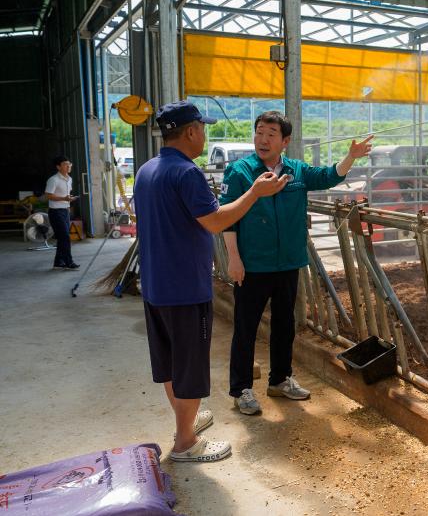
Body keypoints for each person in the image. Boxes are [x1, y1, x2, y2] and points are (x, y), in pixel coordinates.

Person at [134, 100, 286, 463]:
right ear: (190, 132)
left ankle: (185, 421)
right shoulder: (188, 174)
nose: (204, 134)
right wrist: (255, 193)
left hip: (155, 284)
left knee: (170, 363)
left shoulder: (147, 170)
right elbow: (216, 222)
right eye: (202, 128)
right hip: (184, 287)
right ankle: (186, 442)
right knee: (188, 366)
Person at [220, 110, 372, 415]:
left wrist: (351, 156)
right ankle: (241, 389)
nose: (263, 139)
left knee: (285, 324)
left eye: (271, 134)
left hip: (287, 263)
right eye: (259, 132)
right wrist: (233, 259)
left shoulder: (297, 171)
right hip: (252, 264)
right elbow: (229, 218)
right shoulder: (239, 172)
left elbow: (330, 176)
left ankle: (280, 379)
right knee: (246, 327)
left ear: (284, 141)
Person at [44, 155, 79, 270]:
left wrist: (68, 201)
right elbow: (48, 195)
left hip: (65, 211)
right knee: (65, 237)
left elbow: (66, 195)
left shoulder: (69, 179)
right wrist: (64, 199)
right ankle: (69, 262)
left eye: (69, 164)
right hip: (55, 212)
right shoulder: (53, 180)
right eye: (65, 164)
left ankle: (58, 262)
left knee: (62, 238)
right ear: (58, 167)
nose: (68, 166)